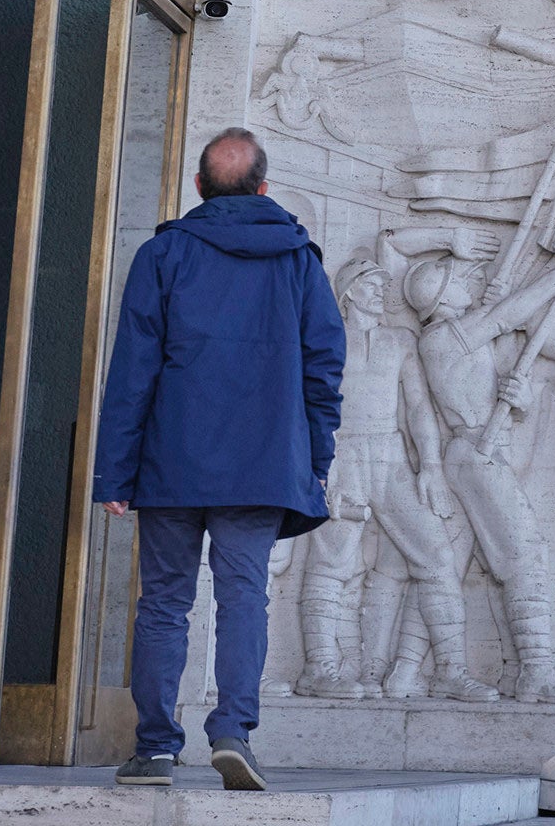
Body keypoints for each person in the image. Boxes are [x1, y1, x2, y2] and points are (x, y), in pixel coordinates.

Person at [94, 129, 346, 789]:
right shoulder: (299, 262)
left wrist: (114, 471)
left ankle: (153, 749)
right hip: (263, 463)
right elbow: (325, 369)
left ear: (200, 188)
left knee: (164, 603)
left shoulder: (164, 254)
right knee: (243, 598)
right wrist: (314, 460)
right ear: (263, 188)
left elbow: (132, 372)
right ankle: (233, 731)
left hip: (173, 460)